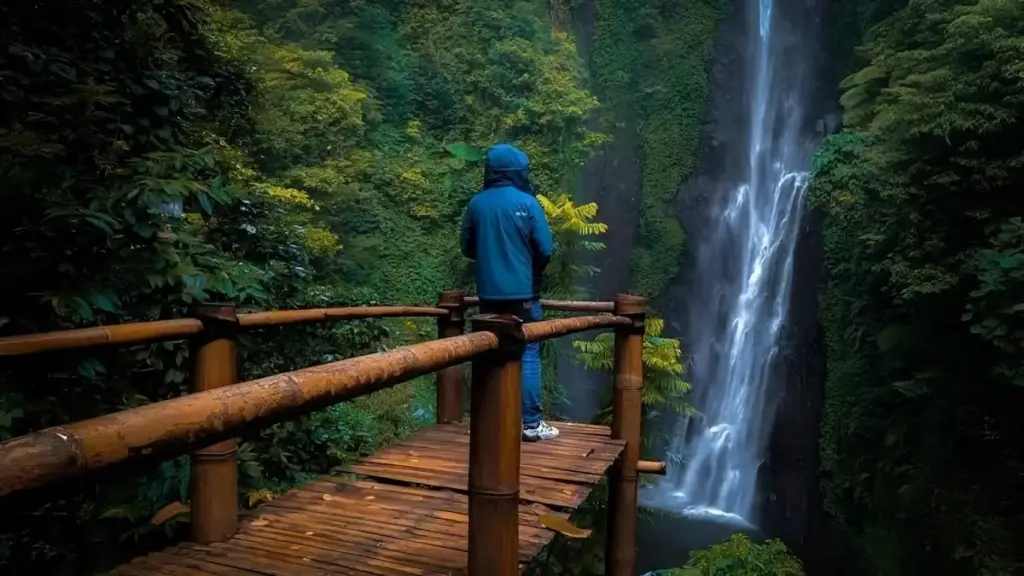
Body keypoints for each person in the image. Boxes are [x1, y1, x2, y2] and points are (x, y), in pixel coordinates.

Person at [460, 143, 559, 442]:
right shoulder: (528, 204)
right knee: (528, 351)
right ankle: (530, 423)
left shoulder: (477, 204)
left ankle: (489, 421)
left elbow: (467, 247)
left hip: (488, 296)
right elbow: (545, 248)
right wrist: (530, 267)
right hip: (524, 294)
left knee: (489, 351)